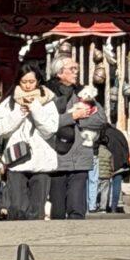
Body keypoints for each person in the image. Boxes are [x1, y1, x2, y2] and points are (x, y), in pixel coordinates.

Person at [0, 68, 59, 220]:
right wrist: (19, 113)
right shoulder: (9, 102)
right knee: (16, 207)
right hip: (17, 161)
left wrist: (35, 108)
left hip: (41, 161)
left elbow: (50, 129)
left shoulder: (48, 102)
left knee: (37, 209)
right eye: (24, 82)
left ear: (38, 81)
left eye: (31, 82)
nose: (28, 86)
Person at [48, 76, 96, 219]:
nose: (75, 73)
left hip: (80, 156)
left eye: (76, 69)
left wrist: (85, 118)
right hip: (57, 157)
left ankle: (78, 238)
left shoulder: (85, 95)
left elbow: (100, 120)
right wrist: (72, 116)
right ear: (59, 72)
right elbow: (46, 123)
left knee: (77, 209)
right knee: (57, 209)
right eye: (71, 69)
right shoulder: (49, 95)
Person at [94, 110, 130, 213]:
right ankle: (114, 206)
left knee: (102, 184)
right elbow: (126, 147)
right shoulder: (118, 133)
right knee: (117, 184)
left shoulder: (103, 134)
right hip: (122, 162)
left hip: (109, 162)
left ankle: (102, 205)